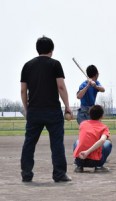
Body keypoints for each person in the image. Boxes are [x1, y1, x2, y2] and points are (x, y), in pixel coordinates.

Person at [20, 36, 72, 182]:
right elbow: (61, 86)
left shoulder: (27, 66)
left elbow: (23, 90)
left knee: (29, 142)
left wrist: (27, 109)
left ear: (37, 49)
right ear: (51, 50)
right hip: (52, 110)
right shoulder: (55, 65)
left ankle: (26, 173)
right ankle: (59, 174)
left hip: (34, 110)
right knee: (56, 143)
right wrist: (67, 106)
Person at [73, 105, 112, 173]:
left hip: (81, 159)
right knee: (108, 143)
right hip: (95, 161)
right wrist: (87, 152)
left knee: (77, 141)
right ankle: (99, 166)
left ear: (90, 115)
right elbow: (102, 140)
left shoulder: (83, 124)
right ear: (102, 116)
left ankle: (79, 166)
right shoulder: (104, 127)